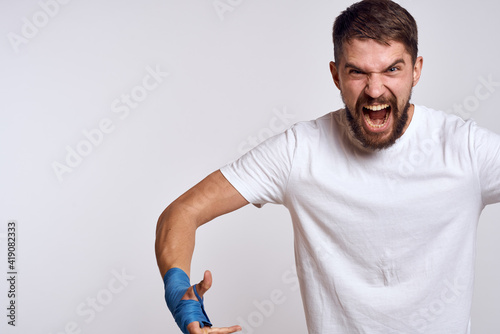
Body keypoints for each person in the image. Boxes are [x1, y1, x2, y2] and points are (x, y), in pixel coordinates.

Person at [155, 0, 500, 333]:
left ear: (416, 70)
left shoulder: (465, 149)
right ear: (336, 75)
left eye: (392, 69)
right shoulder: (299, 151)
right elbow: (183, 211)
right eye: (357, 72)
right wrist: (180, 296)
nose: (375, 89)